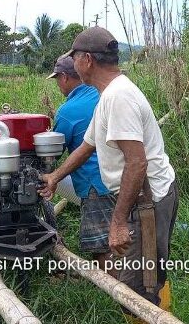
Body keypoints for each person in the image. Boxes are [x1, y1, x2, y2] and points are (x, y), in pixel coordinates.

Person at [40, 27, 178, 315]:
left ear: (87, 60)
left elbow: (137, 162)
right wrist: (55, 177)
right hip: (144, 197)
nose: (73, 64)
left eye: (74, 57)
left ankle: (153, 315)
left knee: (137, 290)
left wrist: (116, 224)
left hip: (148, 202)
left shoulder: (119, 97)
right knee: (147, 274)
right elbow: (87, 146)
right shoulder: (107, 95)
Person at [46, 56, 117, 269]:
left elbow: (52, 154)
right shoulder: (104, 95)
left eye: (57, 80)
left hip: (95, 184)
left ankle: (117, 293)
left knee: (102, 246)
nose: (58, 85)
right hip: (122, 178)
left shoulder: (68, 111)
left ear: (65, 77)